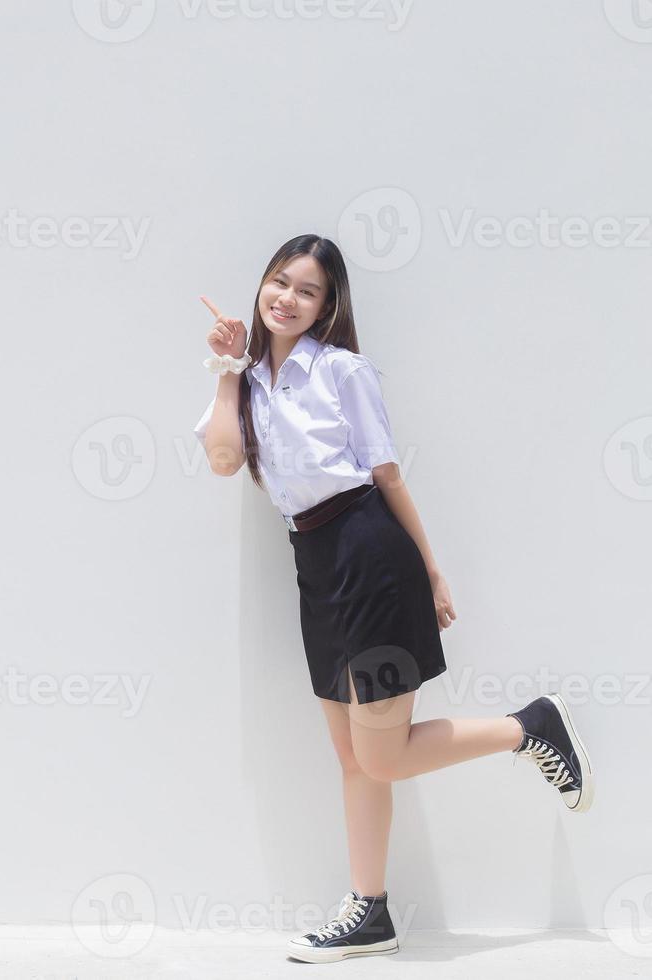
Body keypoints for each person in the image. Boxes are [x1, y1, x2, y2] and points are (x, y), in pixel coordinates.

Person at [191, 234, 595, 964]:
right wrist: (226, 371)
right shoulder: (247, 382)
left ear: (327, 305)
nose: (286, 298)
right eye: (278, 282)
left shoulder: (343, 370)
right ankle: (370, 913)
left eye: (306, 290)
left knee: (381, 758)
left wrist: (430, 569)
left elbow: (387, 474)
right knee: (351, 755)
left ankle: (530, 725)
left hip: (371, 555)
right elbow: (224, 461)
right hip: (313, 565)